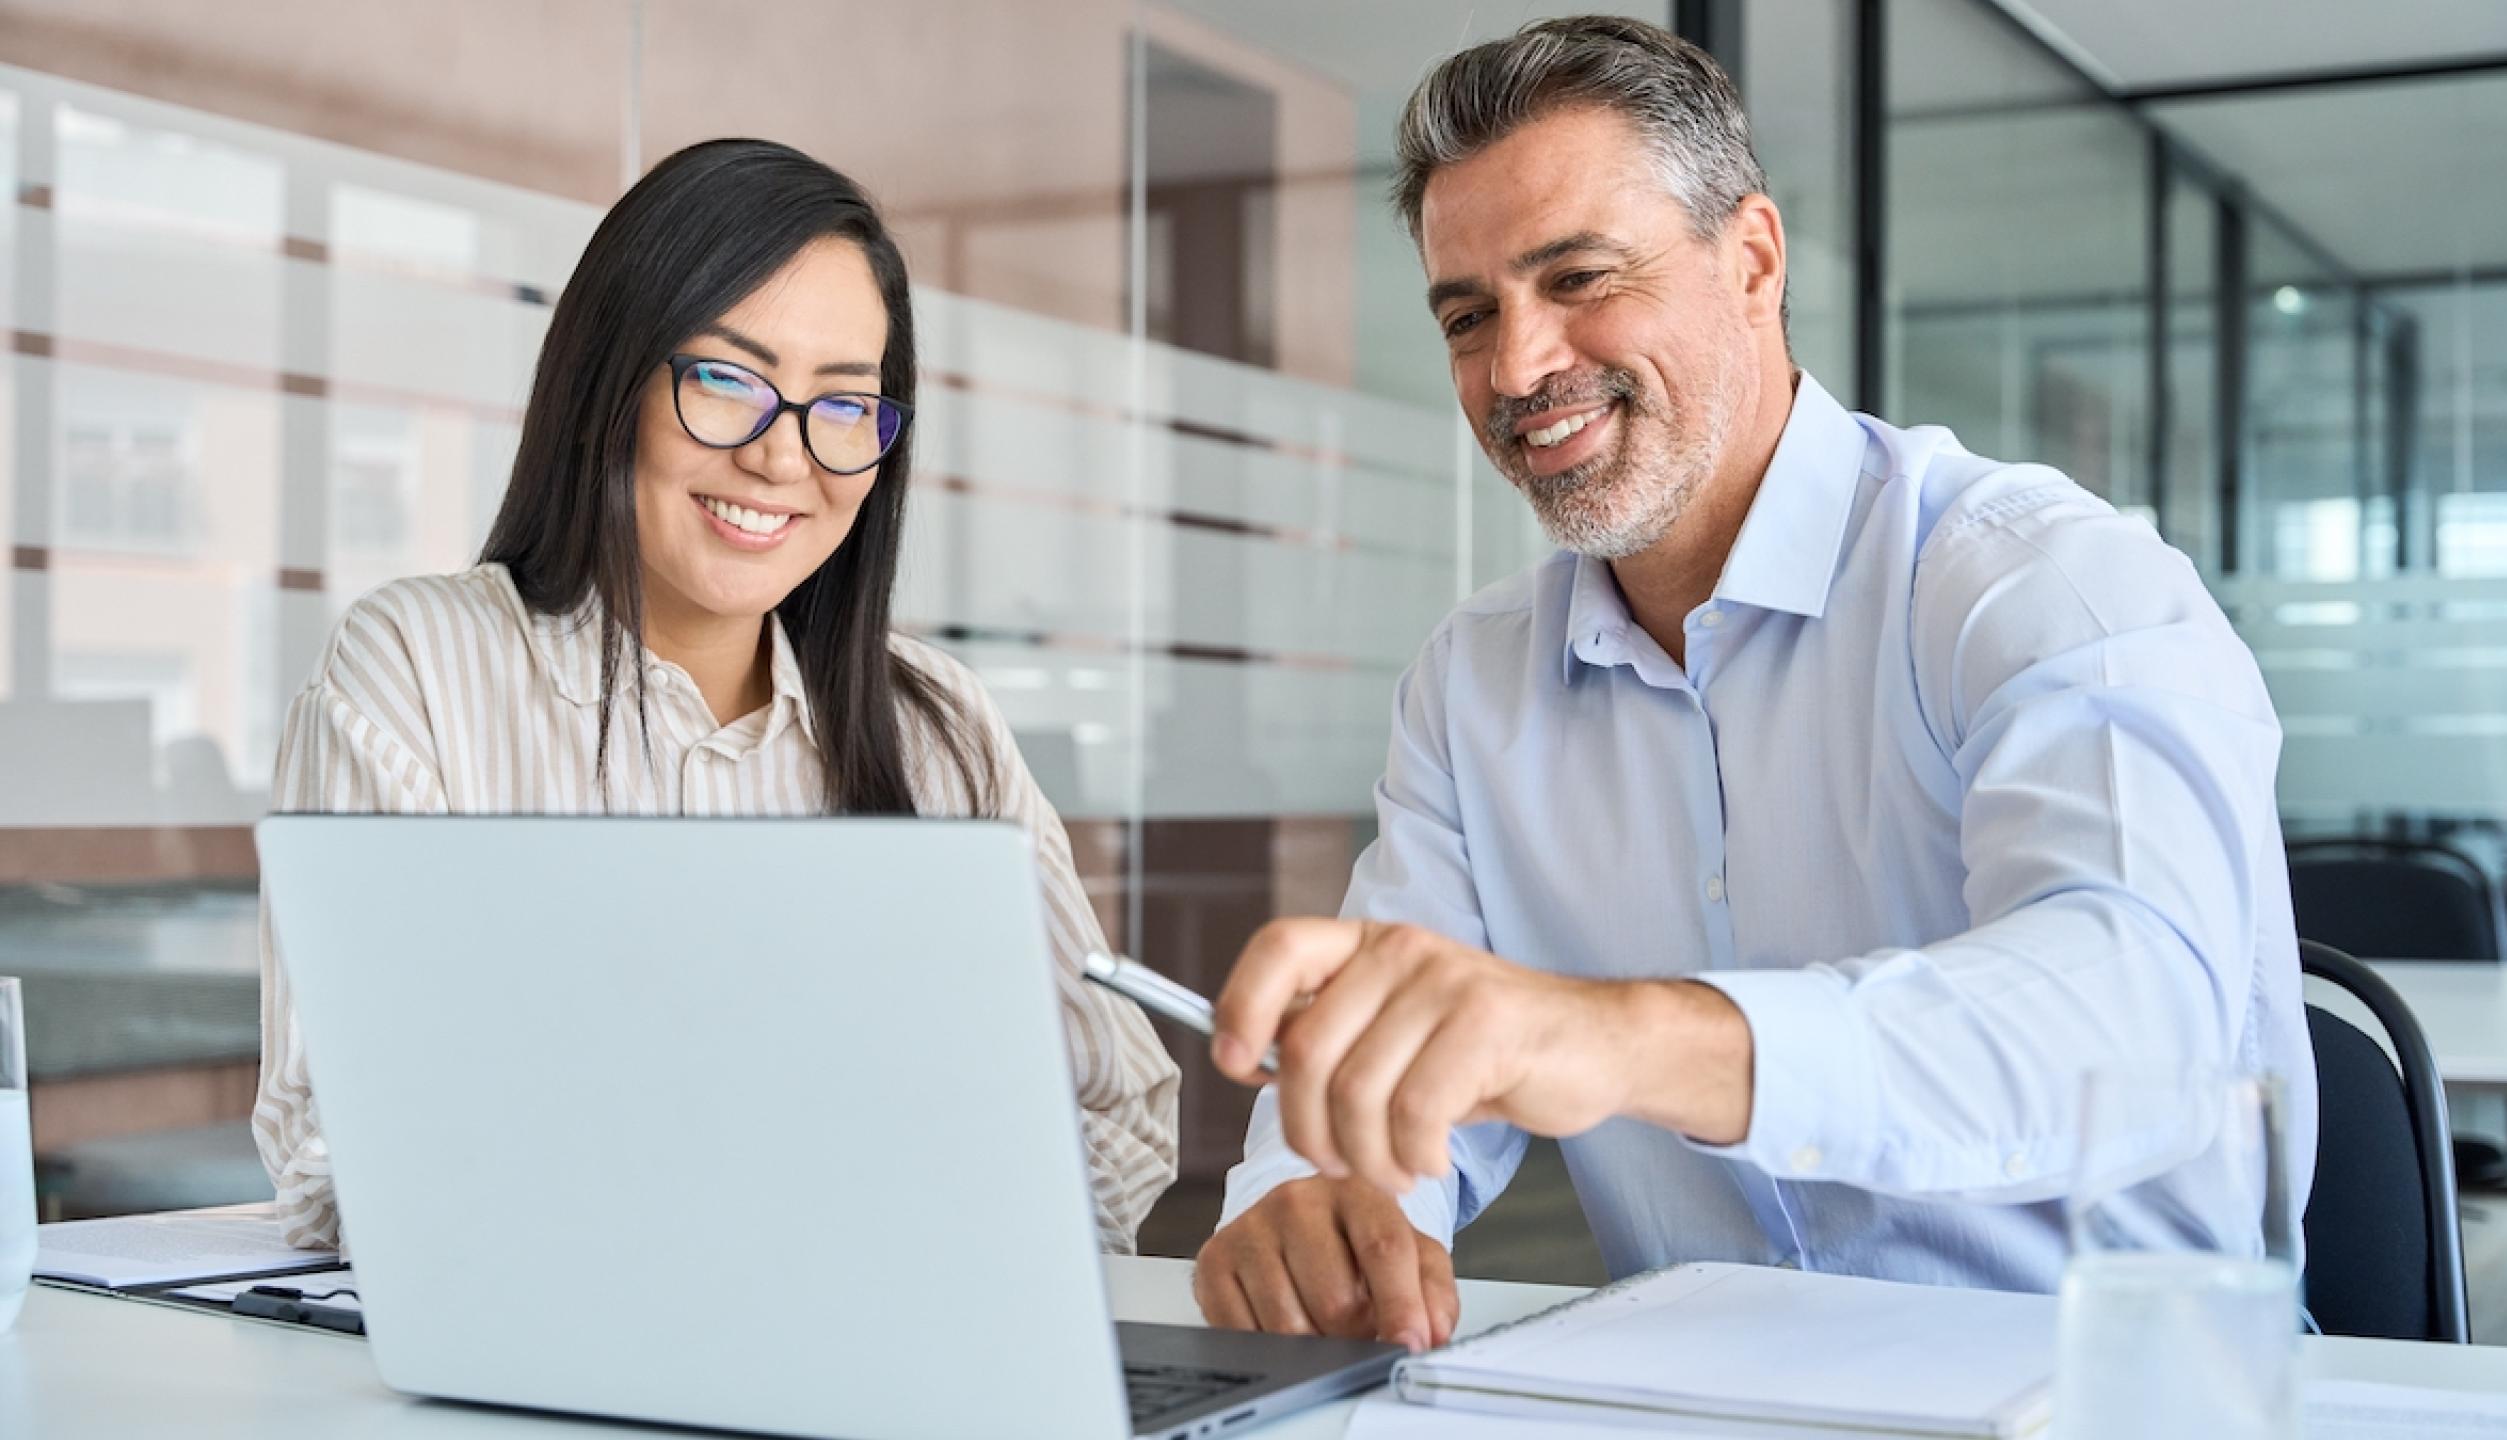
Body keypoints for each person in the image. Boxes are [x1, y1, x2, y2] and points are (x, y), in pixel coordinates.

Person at [1194, 16, 2316, 1351]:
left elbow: (2135, 1030)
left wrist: (1622, 1039)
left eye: (1579, 277)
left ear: (1753, 263)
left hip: (2110, 1393)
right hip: (1704, 1394)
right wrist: (1318, 1198)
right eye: (1468, 315)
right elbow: (1401, 1071)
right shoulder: (1473, 684)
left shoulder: (2039, 581)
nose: (1516, 367)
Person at [252, 139, 1178, 1254]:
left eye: (843, 405)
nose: (783, 459)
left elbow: (1117, 1114)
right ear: (612, 384)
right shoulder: (419, 670)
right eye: (727, 380)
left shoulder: (935, 724)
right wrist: (872, 1150)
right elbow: (336, 1148)